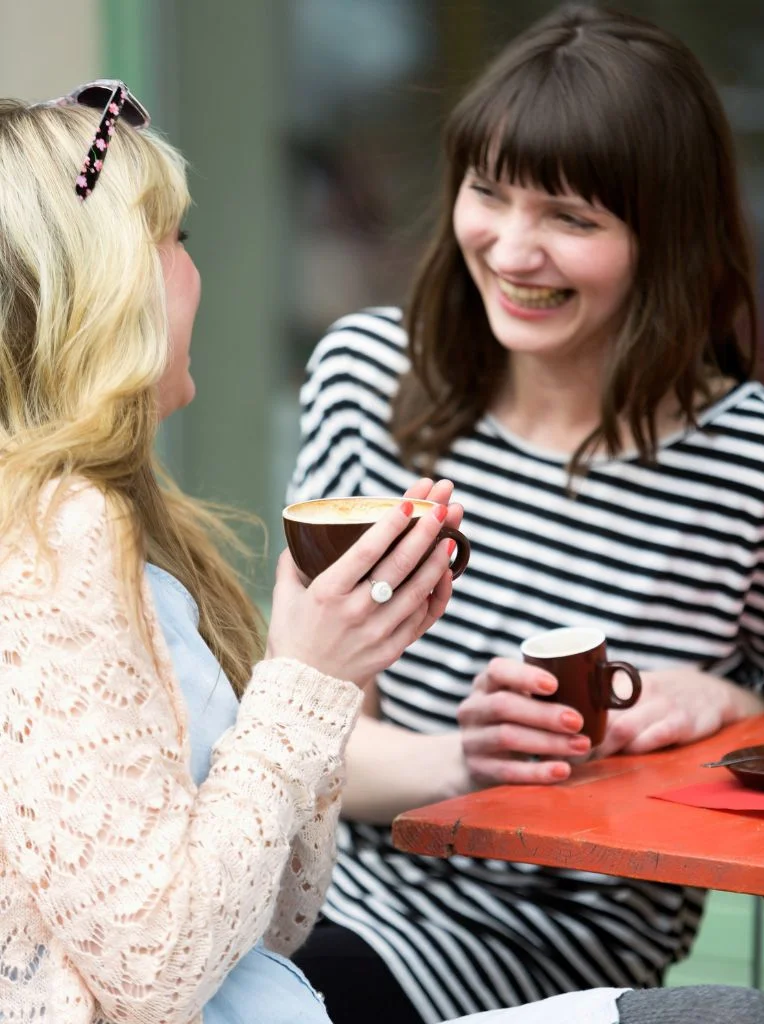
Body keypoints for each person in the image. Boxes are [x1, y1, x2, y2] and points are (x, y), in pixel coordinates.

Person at [288, 4, 764, 1023]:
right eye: (489, 194)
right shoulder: (370, 373)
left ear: (665, 236)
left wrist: (728, 705)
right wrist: (469, 760)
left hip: (541, 945)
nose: (511, 249)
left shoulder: (748, 461)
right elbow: (302, 719)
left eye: (571, 218)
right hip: (318, 889)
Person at [0, 82, 459, 1022]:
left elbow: (271, 922)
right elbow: (161, 970)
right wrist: (304, 680)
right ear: (110, 282)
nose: (195, 274)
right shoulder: (55, 535)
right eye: (176, 241)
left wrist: (325, 675)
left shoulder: (121, 523)